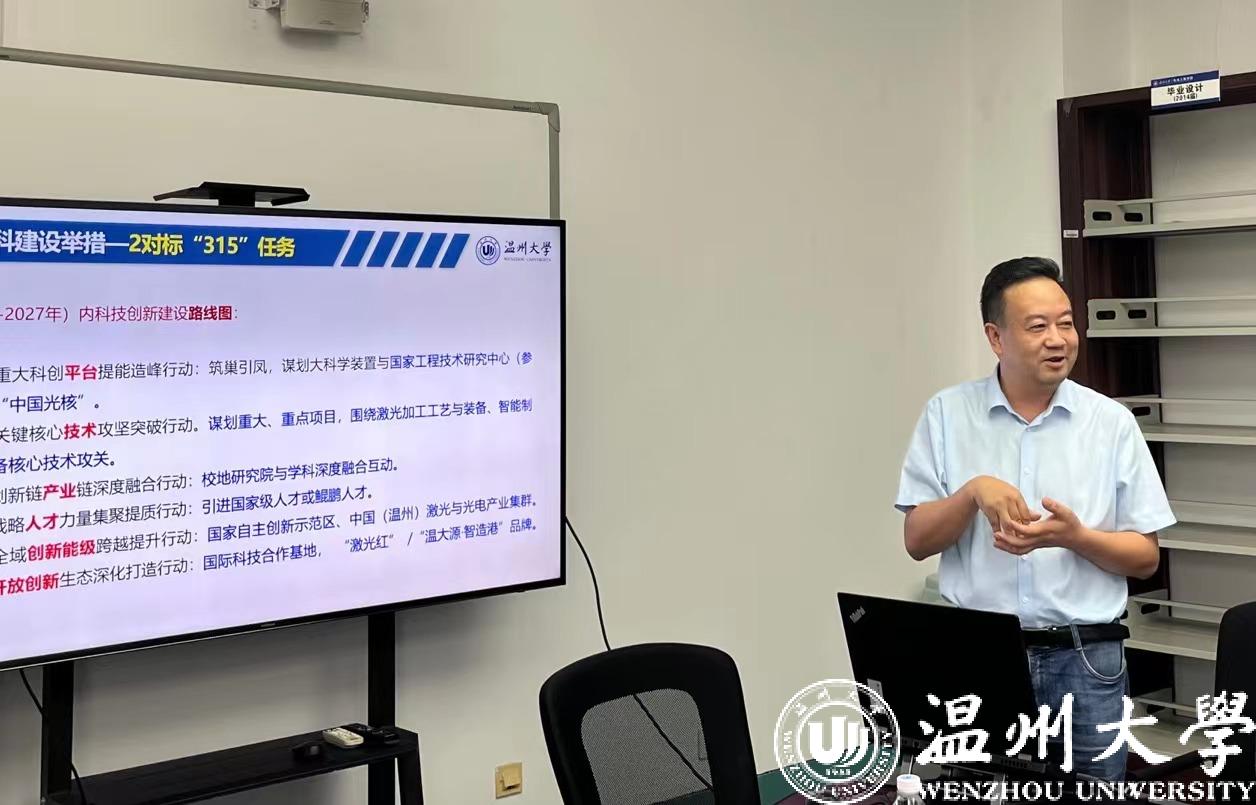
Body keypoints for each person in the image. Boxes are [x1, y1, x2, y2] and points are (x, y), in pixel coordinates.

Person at [894, 256, 1176, 781]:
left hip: (1086, 658)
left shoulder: (1110, 423)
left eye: (1066, 323)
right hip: (980, 658)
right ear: (995, 338)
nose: (1058, 339)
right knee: (981, 792)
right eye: (1038, 326)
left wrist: (1076, 538)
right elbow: (916, 540)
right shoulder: (947, 414)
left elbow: (1145, 558)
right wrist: (971, 494)